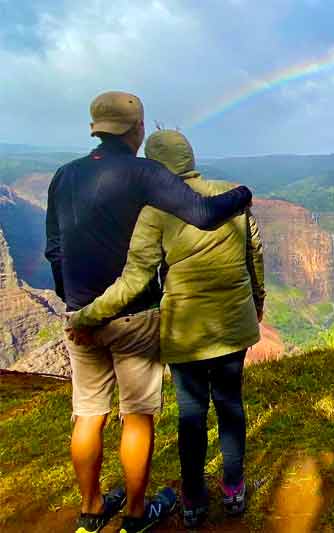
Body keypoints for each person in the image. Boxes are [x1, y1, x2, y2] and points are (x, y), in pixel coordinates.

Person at [45, 92, 253, 533]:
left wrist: (77, 308)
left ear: (96, 127)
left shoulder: (63, 176)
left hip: (81, 315)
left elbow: (54, 248)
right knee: (136, 416)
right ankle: (136, 514)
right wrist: (243, 194)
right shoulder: (144, 175)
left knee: (88, 414)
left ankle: (91, 506)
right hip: (134, 316)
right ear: (135, 130)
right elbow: (200, 213)